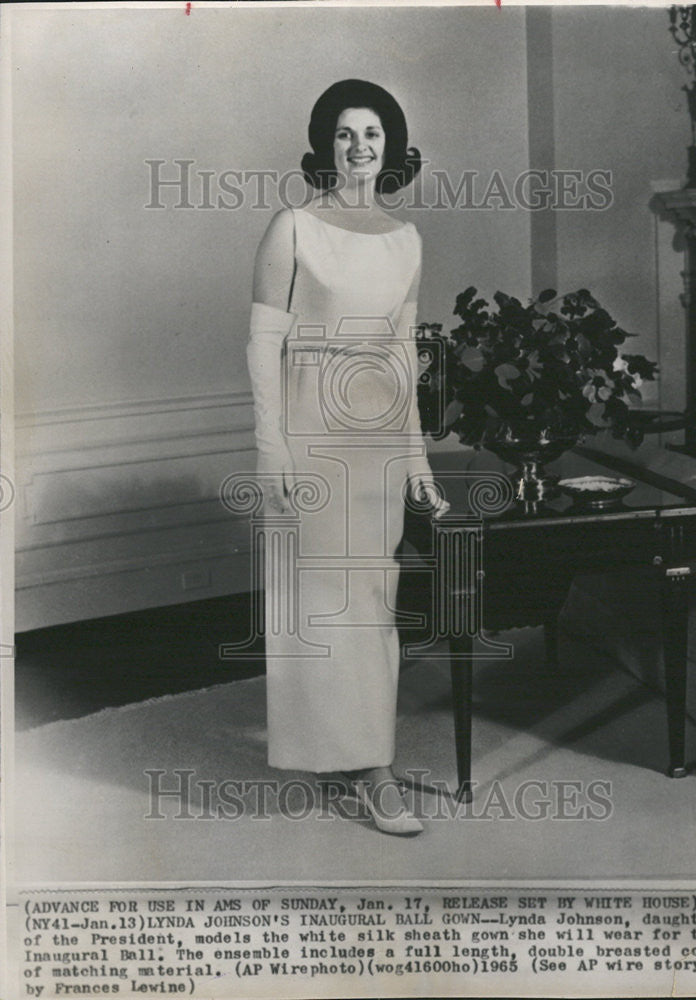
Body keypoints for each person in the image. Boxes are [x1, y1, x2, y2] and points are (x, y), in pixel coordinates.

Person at [246, 79, 449, 837]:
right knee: (321, 608)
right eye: (343, 134)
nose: (359, 147)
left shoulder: (406, 239)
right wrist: (272, 454)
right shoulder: (292, 227)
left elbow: (402, 357)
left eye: (371, 134)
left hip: (377, 449)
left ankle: (361, 760)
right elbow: (263, 345)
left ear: (391, 148)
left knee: (371, 605)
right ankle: (370, 771)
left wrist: (419, 466)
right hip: (309, 442)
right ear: (324, 146)